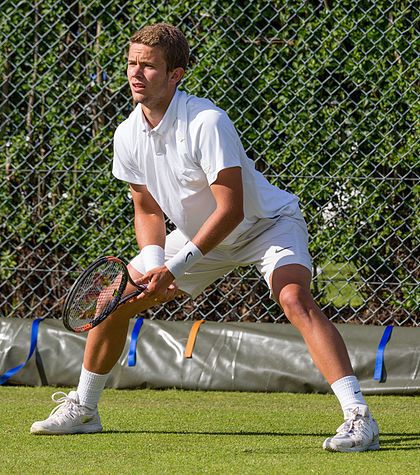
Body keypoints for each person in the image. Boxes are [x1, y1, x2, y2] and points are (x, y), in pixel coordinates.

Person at [31, 23, 379, 452]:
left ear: (176, 74)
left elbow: (231, 210)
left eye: (149, 67)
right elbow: (147, 208)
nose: (136, 74)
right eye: (131, 64)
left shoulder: (207, 121)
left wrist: (174, 268)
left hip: (265, 226)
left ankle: (358, 417)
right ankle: (84, 408)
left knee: (294, 298)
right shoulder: (126, 135)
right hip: (200, 235)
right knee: (111, 301)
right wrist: (155, 258)